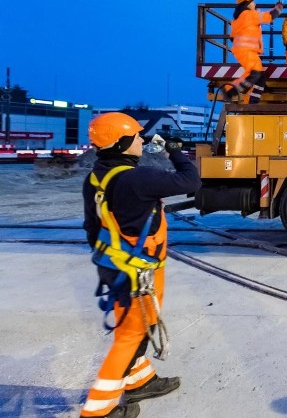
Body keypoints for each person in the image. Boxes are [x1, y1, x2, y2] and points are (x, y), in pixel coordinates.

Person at [80, 113, 201, 418]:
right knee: (130, 336)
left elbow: (92, 227)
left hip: (116, 266)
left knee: (139, 327)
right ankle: (98, 410)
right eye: (135, 137)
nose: (141, 141)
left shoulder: (96, 178)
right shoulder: (138, 178)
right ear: (121, 143)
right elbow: (191, 180)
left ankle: (139, 381)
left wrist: (113, 262)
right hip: (138, 272)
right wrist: (174, 150)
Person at [223, 0, 284, 104]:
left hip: (243, 51)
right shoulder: (250, 15)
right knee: (254, 73)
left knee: (260, 77)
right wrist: (279, 7)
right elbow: (269, 16)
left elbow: (232, 37)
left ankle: (252, 101)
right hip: (247, 51)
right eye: (253, 2)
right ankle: (229, 90)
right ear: (247, 3)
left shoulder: (237, 19)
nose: (255, 5)